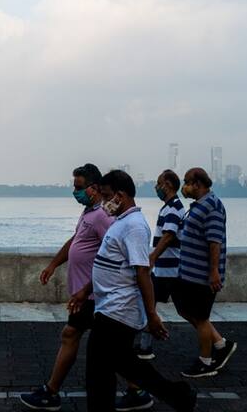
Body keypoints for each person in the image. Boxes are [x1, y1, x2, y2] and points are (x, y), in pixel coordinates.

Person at [20, 164, 153, 411]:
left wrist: (88, 289)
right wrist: (53, 264)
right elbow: (76, 241)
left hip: (95, 295)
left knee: (73, 336)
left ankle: (51, 392)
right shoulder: (89, 212)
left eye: (79, 187)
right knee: (115, 351)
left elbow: (113, 254)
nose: (75, 191)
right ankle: (138, 391)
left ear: (94, 189)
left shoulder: (104, 216)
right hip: (87, 292)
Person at [70, 170, 196, 412]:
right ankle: (178, 395)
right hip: (108, 307)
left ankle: (177, 395)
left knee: (101, 366)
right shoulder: (121, 222)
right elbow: (106, 264)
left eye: (107, 196)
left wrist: (151, 315)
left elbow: (142, 272)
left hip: (119, 310)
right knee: (121, 364)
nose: (104, 201)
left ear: (120, 195)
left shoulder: (135, 227)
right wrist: (85, 291)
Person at [173, 167, 236, 378]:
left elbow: (214, 242)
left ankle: (205, 362)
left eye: (187, 182)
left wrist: (214, 273)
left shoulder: (213, 206)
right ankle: (221, 344)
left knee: (200, 318)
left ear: (197, 183)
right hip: (189, 273)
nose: (185, 186)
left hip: (202, 276)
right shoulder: (199, 206)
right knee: (186, 311)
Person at [137, 170, 186, 361]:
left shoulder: (174, 208)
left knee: (149, 304)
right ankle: (144, 345)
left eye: (159, 184)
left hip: (168, 270)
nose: (156, 187)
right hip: (165, 269)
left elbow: (168, 235)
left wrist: (152, 257)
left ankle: (145, 347)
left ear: (168, 185)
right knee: (151, 304)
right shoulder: (169, 207)